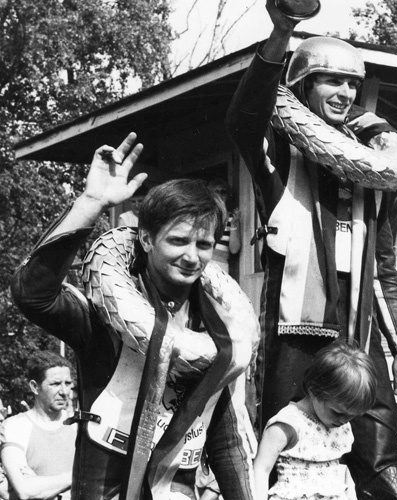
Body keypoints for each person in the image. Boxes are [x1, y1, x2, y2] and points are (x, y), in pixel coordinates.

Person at [225, 2, 397, 499]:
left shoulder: (376, 165)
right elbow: (246, 116)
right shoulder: (279, 153)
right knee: (283, 449)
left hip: (361, 327)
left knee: (380, 458)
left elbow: (385, 269)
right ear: (304, 86)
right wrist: (282, 30)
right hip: (298, 327)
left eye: (352, 84)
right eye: (331, 81)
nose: (345, 93)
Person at [11, 133, 258, 498]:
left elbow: (224, 442)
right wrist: (91, 202)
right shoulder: (106, 312)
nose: (192, 257)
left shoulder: (219, 328)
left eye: (203, 244)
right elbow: (33, 295)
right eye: (178, 241)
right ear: (145, 239)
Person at [253, 341, 377, 500]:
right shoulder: (288, 424)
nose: (344, 421)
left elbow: (342, 472)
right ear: (314, 390)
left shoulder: (339, 424)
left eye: (352, 415)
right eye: (338, 412)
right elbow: (261, 469)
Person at [0, 351, 76, 500]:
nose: (64, 392)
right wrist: (78, 474)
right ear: (35, 387)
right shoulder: (16, 427)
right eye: (55, 384)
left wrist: (41, 486)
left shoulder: (80, 426)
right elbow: (25, 490)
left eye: (67, 383)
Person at [207, 178, 241, 275]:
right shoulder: (204, 216)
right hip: (204, 263)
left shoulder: (232, 217)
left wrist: (234, 224)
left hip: (221, 266)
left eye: (223, 192)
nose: (220, 195)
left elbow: (234, 249)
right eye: (216, 191)